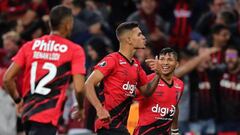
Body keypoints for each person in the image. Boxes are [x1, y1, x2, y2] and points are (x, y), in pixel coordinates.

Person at [3, 5, 86, 135]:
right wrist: (81, 107)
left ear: (49, 23)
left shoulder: (30, 45)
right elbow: (80, 88)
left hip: (29, 113)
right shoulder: (74, 50)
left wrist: (18, 100)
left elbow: (7, 79)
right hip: (47, 114)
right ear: (69, 25)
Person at [84, 21, 160, 135]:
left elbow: (147, 92)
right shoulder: (112, 60)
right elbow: (88, 84)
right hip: (108, 125)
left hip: (121, 126)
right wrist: (99, 109)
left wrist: (158, 74)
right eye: (139, 35)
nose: (144, 37)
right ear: (129, 40)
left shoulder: (136, 65)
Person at [133, 47, 184, 135]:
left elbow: (174, 106)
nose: (165, 63)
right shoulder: (147, 80)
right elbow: (131, 97)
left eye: (170, 59)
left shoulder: (180, 84)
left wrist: (175, 130)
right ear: (157, 62)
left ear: (177, 64)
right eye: (162, 59)